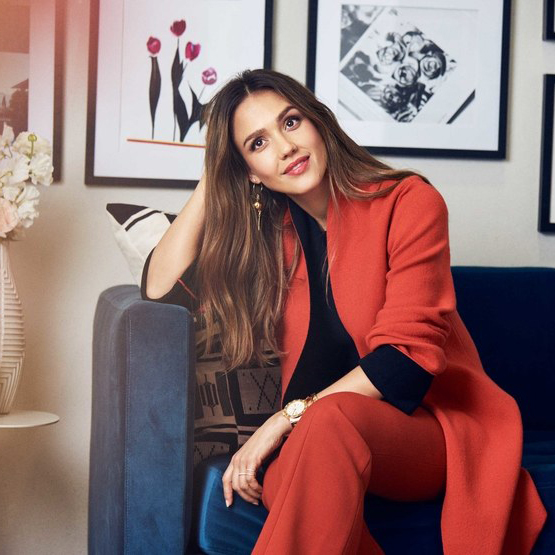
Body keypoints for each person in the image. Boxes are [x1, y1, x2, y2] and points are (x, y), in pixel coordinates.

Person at [141, 69, 547, 554]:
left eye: (291, 122)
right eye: (258, 143)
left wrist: (282, 420)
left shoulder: (408, 201)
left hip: (433, 430)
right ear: (249, 170)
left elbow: (405, 363)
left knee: (327, 423)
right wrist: (214, 173)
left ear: (317, 121)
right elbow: (161, 291)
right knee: (292, 466)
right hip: (325, 437)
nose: (285, 147)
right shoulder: (272, 239)